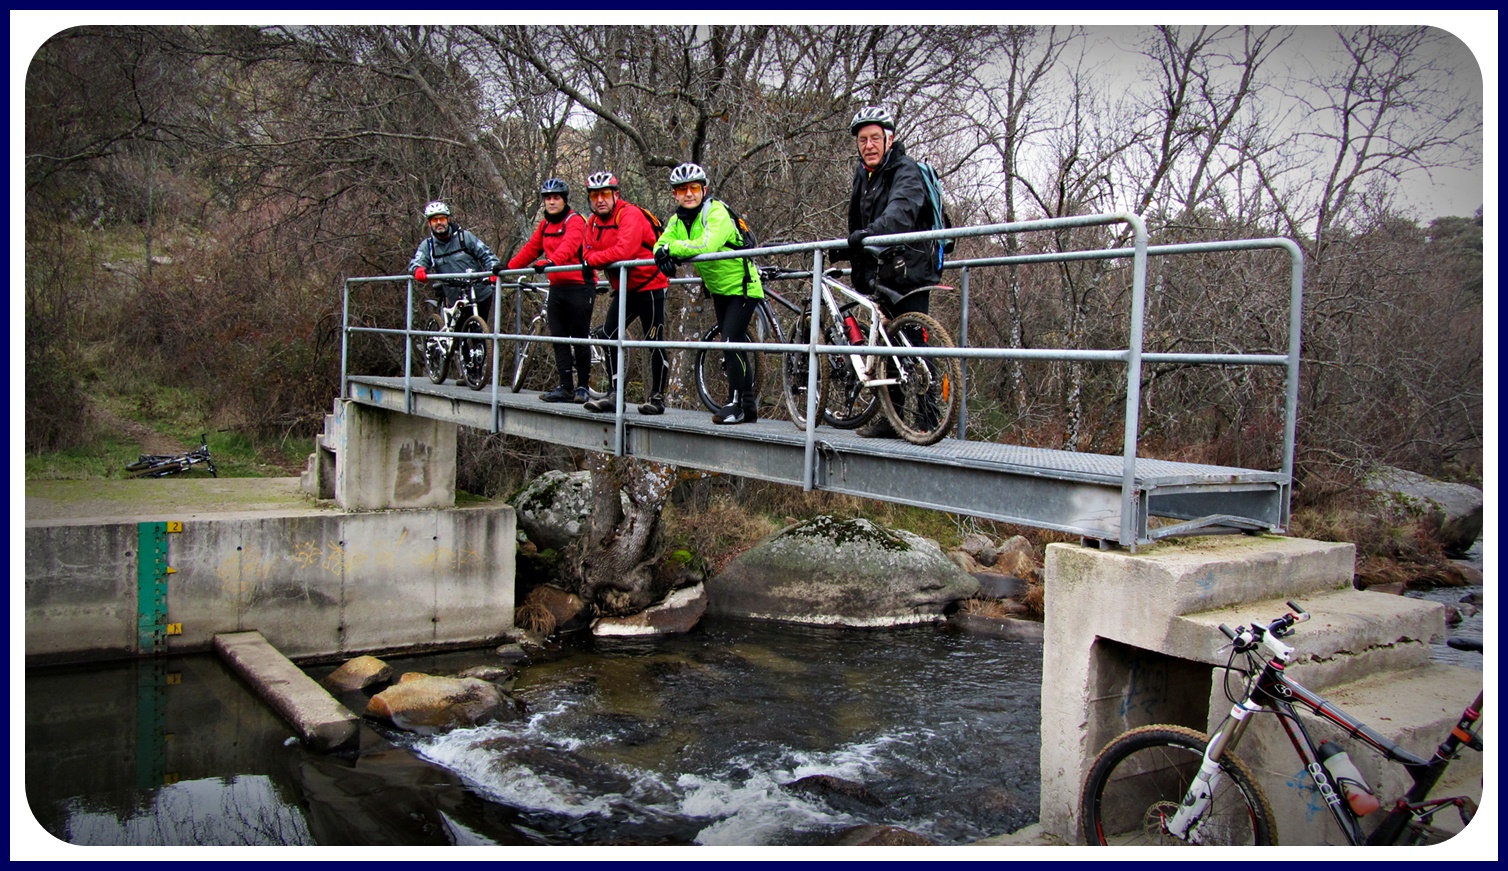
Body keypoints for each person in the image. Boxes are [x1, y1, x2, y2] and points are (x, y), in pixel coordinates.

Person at [838, 106, 943, 438]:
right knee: (886, 342)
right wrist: (851, 247)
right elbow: (858, 219)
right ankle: (892, 419)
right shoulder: (864, 174)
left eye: (875, 138)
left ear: (889, 139)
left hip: (911, 268)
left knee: (913, 340)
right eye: (863, 139)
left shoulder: (905, 171)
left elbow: (902, 212)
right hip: (882, 268)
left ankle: (930, 418)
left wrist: (866, 237)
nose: (868, 145)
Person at [652, 162, 764, 425]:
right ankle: (748, 408)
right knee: (731, 343)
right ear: (674, 194)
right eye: (682, 189)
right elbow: (661, 242)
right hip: (719, 289)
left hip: (742, 286)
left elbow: (707, 244)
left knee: (730, 341)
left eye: (693, 188)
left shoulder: (715, 212)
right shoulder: (677, 220)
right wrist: (660, 252)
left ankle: (735, 405)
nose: (688, 194)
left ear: (703, 189)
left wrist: (672, 249)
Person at [579, 171, 671, 415]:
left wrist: (596, 260)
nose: (600, 200)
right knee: (609, 334)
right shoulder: (592, 222)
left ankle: (657, 398)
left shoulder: (629, 213)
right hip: (625, 288)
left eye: (605, 194)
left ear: (615, 195)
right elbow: (585, 254)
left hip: (650, 284)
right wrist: (594, 260)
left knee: (654, 339)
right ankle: (614, 395)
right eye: (594, 195)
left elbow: (625, 251)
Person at [506, 178, 598, 403]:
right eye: (547, 198)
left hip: (579, 286)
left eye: (556, 198)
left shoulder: (575, 220)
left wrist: (551, 261)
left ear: (564, 200)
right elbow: (531, 249)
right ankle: (565, 387)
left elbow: (570, 245)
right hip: (557, 287)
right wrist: (506, 269)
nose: (551, 202)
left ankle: (583, 387)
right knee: (558, 338)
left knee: (579, 338)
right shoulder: (545, 225)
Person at [407, 200, 502, 311]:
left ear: (448, 220)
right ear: (429, 223)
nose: (438, 223)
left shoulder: (465, 237)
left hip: (479, 293)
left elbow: (487, 255)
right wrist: (418, 269)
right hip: (454, 299)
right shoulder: (428, 245)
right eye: (434, 220)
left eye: (442, 219)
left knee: (479, 327)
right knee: (459, 328)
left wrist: (492, 271)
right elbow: (417, 261)